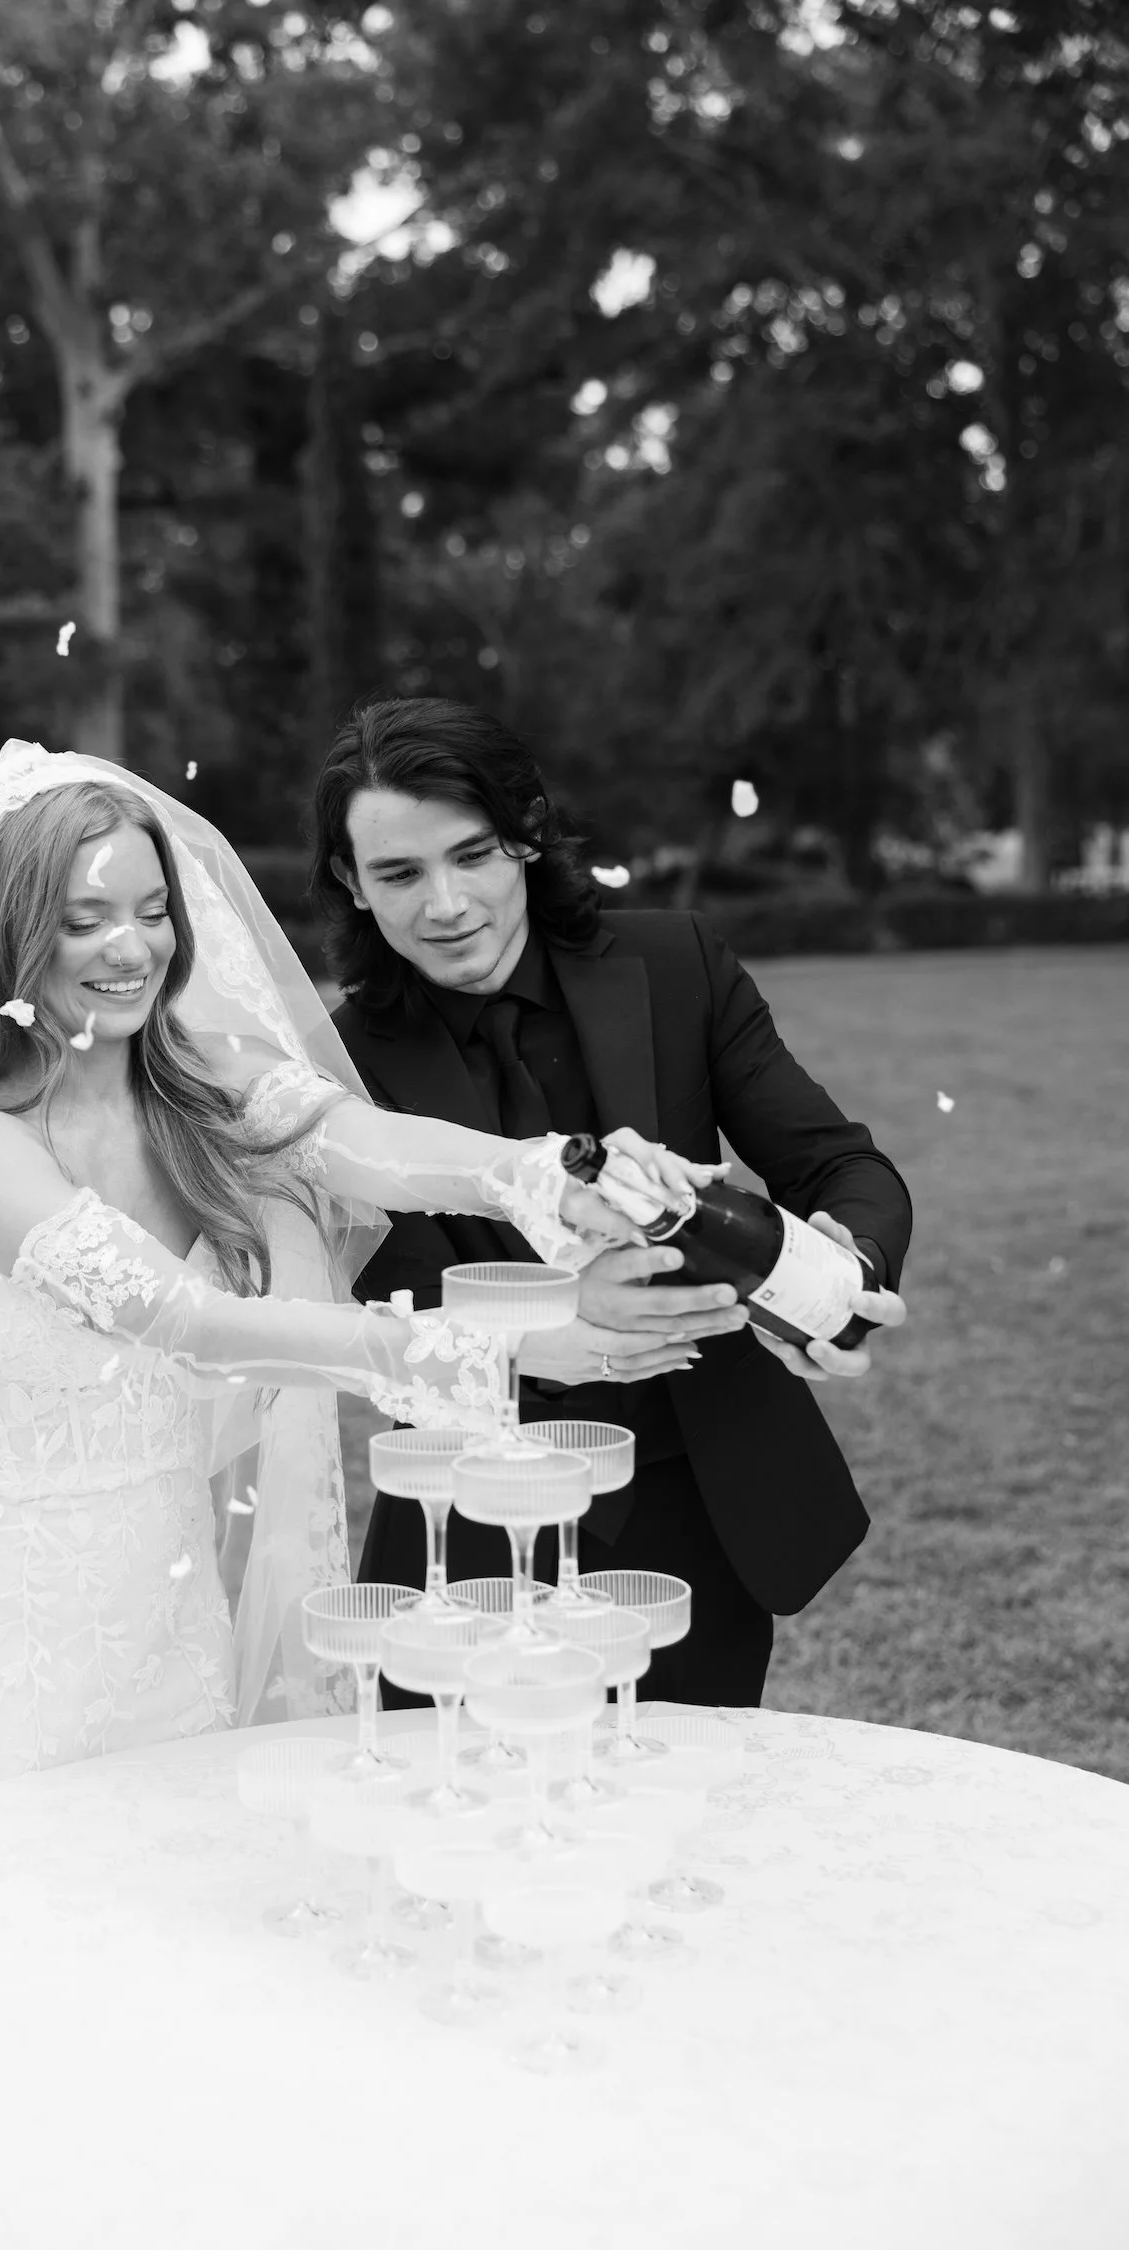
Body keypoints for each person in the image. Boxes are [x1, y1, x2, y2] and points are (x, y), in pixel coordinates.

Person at [0, 739, 681, 1886]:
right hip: (4, 1629)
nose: (134, 947)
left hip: (168, 1601)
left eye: (153, 911)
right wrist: (469, 1349)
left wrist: (548, 1174)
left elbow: (376, 1150)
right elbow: (189, 1324)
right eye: (85, 917)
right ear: (11, 933)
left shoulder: (206, 1080)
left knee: (175, 1916)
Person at [311, 698, 912, 1709]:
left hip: (703, 1494)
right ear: (351, 885)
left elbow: (838, 1166)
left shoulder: (679, 964)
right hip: (471, 1513)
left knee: (680, 1817)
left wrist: (849, 1266)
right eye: (400, 873)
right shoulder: (334, 1071)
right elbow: (383, 1308)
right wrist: (563, 1308)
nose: (447, 904)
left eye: (474, 856)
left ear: (528, 838)